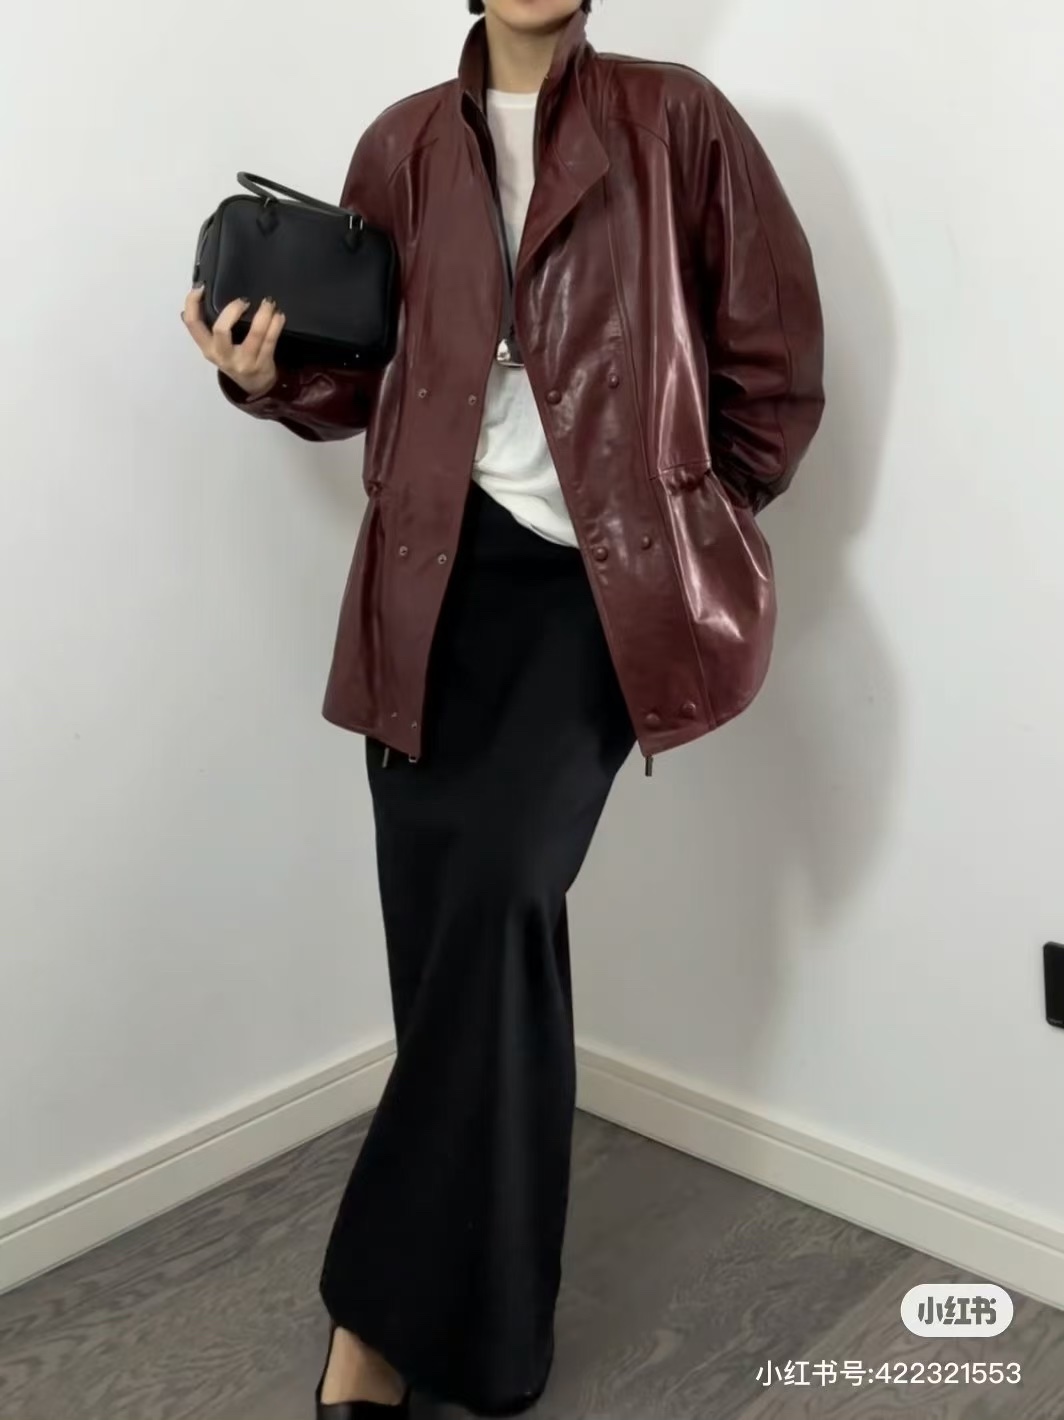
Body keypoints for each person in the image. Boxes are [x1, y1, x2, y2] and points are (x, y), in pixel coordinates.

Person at [182, 0, 824, 1414]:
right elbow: (361, 377)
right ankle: (493, 1335)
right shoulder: (403, 145)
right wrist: (268, 380)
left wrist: (688, 516)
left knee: (498, 897)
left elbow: (774, 365)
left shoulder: (677, 120)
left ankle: (372, 1325)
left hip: (596, 592)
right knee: (450, 947)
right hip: (427, 582)